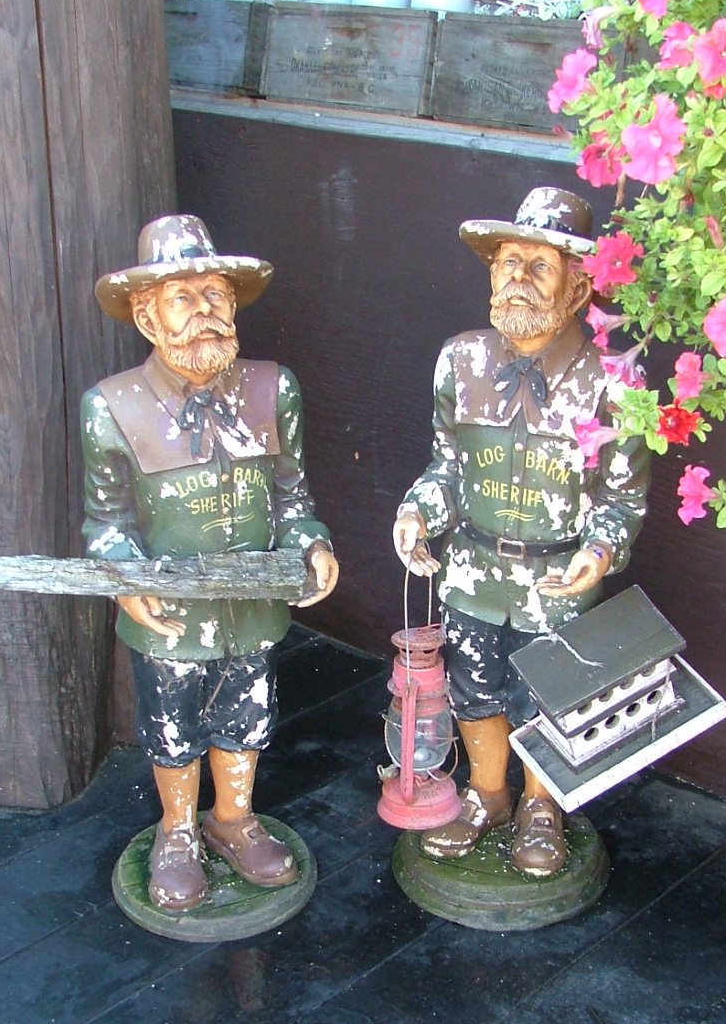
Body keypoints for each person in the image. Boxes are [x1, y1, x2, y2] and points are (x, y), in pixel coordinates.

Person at [85, 215, 338, 911]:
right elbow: (105, 523)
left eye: (215, 295)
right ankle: (176, 831)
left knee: (247, 713)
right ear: (147, 316)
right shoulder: (111, 407)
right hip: (168, 616)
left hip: (252, 605)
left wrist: (311, 543)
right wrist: (125, 580)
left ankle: (233, 819)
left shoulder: (273, 389)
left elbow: (292, 495)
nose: (204, 312)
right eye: (182, 297)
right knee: (172, 726)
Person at [393, 188, 649, 876]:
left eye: (540, 266)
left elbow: (622, 497)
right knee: (473, 686)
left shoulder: (614, 381)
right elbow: (447, 465)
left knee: (551, 696)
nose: (518, 279)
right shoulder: (460, 361)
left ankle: (541, 804)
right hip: (472, 571)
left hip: (557, 581)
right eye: (508, 263)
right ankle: (488, 794)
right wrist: (418, 513)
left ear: (579, 286)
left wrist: (600, 550)